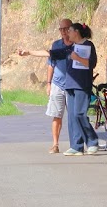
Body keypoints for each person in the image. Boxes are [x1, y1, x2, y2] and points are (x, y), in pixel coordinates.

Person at [21, 22, 100, 156]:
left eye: (69, 31)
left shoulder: (88, 45)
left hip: (82, 85)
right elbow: (50, 53)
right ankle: (76, 146)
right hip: (69, 85)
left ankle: (92, 141)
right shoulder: (71, 48)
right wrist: (29, 52)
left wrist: (78, 58)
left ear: (76, 32)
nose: (67, 33)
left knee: (80, 113)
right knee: (72, 117)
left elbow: (91, 64)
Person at [18, 18, 73, 153]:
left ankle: (76, 145)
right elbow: (50, 64)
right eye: (61, 29)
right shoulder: (56, 45)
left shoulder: (77, 45)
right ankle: (55, 144)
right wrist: (48, 83)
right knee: (57, 115)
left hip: (73, 85)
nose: (63, 31)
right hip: (58, 84)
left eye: (66, 28)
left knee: (74, 116)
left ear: (72, 29)